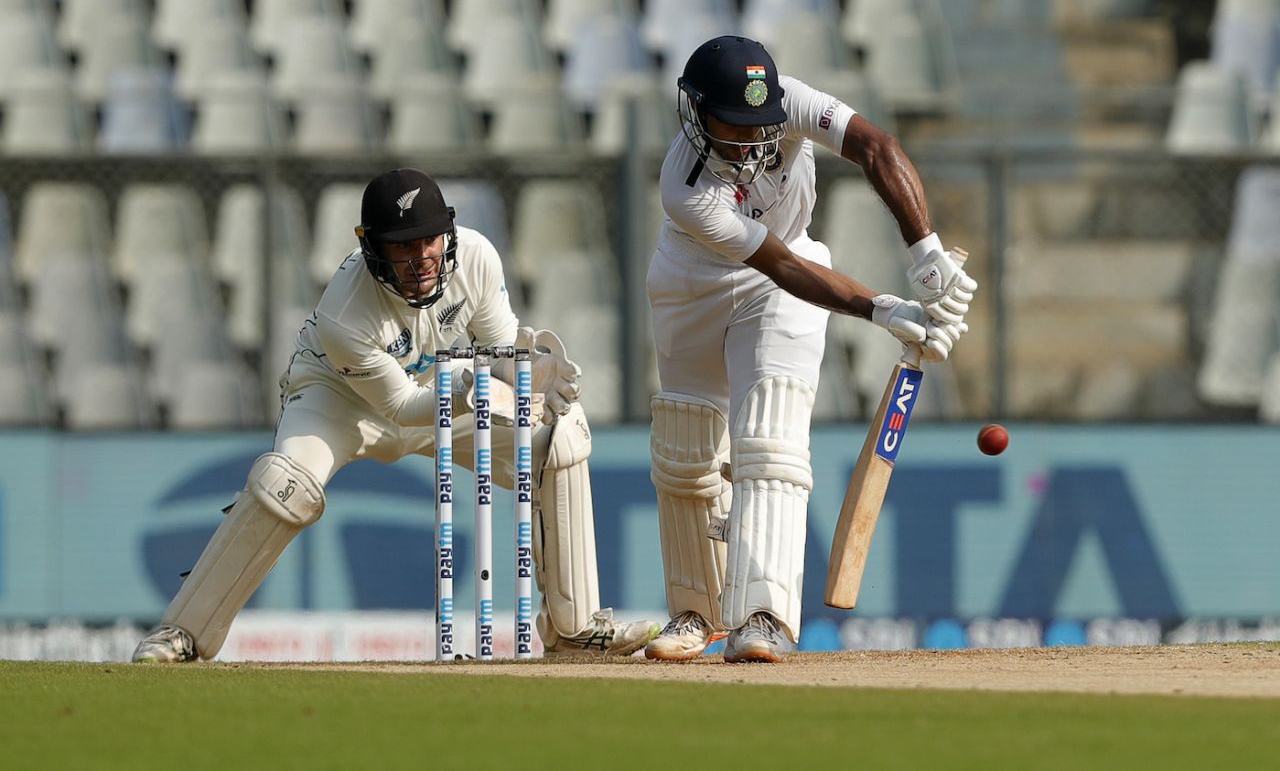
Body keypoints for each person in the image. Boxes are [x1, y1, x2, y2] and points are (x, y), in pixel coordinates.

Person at [133, 168, 659, 662]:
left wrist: (526, 373)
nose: (422, 257)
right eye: (404, 246)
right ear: (373, 248)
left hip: (442, 389)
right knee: (284, 485)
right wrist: (472, 385)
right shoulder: (346, 311)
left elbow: (497, 348)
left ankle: (576, 628)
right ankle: (184, 632)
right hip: (338, 400)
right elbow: (401, 410)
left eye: (429, 239)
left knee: (559, 440)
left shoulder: (476, 256)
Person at [644, 36, 977, 663]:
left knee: (771, 441)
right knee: (688, 450)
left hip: (784, 279)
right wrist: (884, 308)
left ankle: (761, 617)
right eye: (731, 127)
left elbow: (876, 147)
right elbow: (782, 266)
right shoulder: (684, 188)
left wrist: (926, 255)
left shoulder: (790, 101)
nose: (749, 142)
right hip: (697, 282)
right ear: (695, 113)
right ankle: (694, 613)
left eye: (757, 125)